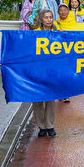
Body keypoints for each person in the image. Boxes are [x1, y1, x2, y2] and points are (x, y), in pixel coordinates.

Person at [33, 9, 58, 137]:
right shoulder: (34, 34)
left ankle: (50, 125)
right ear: (42, 19)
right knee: (37, 99)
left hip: (52, 71)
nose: (49, 19)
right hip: (38, 71)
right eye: (46, 17)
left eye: (50, 17)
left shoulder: (58, 34)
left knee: (50, 99)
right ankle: (41, 126)